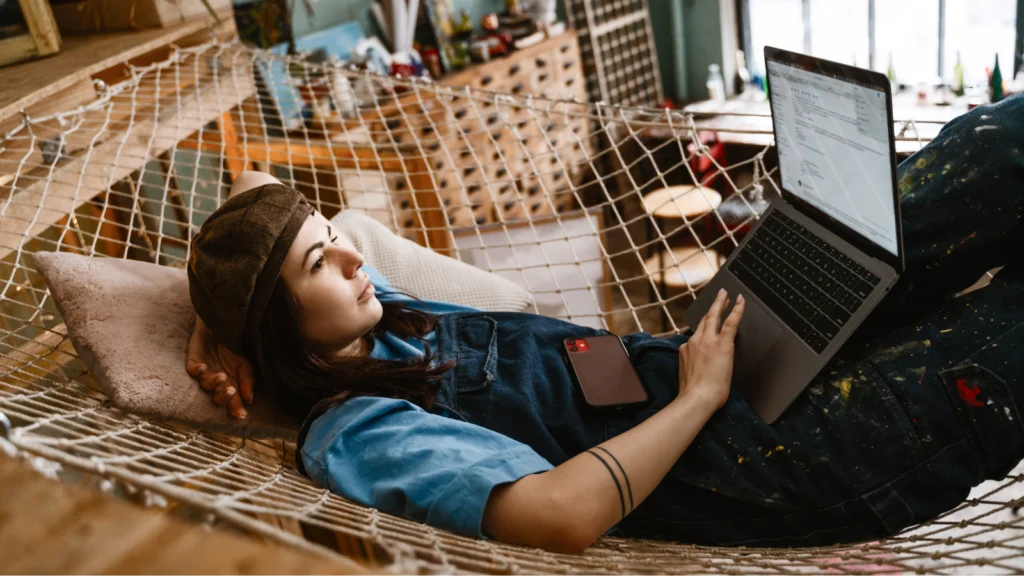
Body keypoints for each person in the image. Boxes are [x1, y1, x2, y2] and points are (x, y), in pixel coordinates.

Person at [186, 96, 1024, 554]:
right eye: (318, 267)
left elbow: (256, 190)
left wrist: (214, 326)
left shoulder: (377, 324)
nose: (353, 261)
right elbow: (558, 515)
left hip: (729, 347)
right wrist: (697, 400)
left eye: (339, 243)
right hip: (772, 456)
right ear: (280, 326)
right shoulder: (358, 429)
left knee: (992, 144)